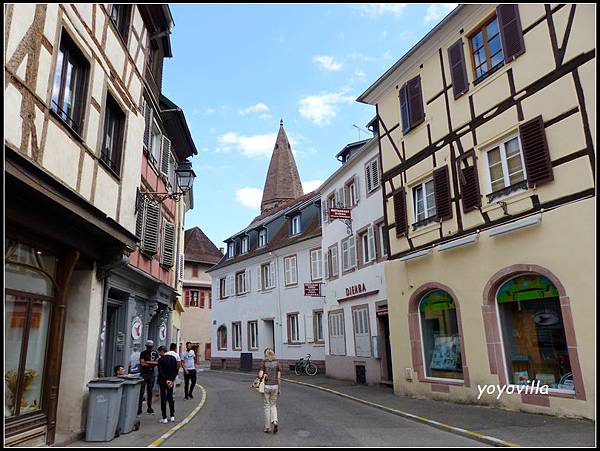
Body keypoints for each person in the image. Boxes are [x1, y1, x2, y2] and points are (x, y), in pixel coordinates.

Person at [257, 347, 281, 434]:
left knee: (267, 406)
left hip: (266, 386)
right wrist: (279, 388)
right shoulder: (277, 362)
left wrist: (261, 378)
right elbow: (278, 377)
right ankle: (275, 421)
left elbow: (260, 375)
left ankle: (267, 427)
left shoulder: (264, 363)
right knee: (273, 405)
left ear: (266, 355)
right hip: (275, 386)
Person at [157, 346, 178, 424]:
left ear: (162, 351)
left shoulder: (160, 360)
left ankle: (164, 417)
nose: (159, 354)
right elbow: (176, 370)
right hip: (171, 381)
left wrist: (166, 380)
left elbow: (160, 372)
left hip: (163, 381)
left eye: (159, 352)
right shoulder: (173, 358)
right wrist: (171, 380)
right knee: (170, 398)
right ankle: (172, 416)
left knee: (163, 399)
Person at [138, 340, 159, 415]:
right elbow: (142, 364)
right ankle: (139, 408)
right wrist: (151, 364)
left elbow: (157, 363)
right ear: (146, 346)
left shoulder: (155, 353)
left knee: (150, 391)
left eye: (150, 346)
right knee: (141, 391)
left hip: (151, 374)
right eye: (148, 346)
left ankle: (149, 407)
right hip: (144, 373)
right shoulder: (143, 353)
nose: (149, 348)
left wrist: (147, 362)